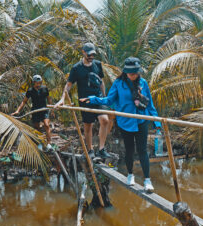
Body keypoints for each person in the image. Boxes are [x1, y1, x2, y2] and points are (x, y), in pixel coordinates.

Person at [80, 57, 161, 192]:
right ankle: (130, 175)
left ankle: (147, 180)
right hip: (125, 122)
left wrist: (157, 122)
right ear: (125, 72)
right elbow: (109, 100)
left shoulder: (143, 83)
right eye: (130, 73)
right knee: (129, 150)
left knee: (142, 151)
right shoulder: (119, 83)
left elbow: (150, 105)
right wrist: (93, 99)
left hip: (141, 121)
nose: (133, 75)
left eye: (135, 72)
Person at [55, 42, 111, 159]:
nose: (91, 57)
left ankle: (101, 149)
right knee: (88, 125)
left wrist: (105, 98)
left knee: (105, 120)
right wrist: (62, 99)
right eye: (89, 54)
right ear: (83, 52)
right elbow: (68, 84)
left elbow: (101, 82)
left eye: (93, 55)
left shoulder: (97, 64)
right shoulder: (76, 68)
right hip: (84, 101)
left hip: (98, 99)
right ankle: (90, 150)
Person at [12, 75, 53, 151]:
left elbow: (49, 99)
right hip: (35, 111)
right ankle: (40, 143)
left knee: (47, 125)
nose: (38, 84)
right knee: (37, 127)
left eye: (39, 83)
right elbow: (24, 101)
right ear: (34, 82)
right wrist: (18, 110)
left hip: (44, 110)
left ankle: (49, 144)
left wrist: (52, 110)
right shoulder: (30, 91)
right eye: (37, 83)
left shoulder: (44, 89)